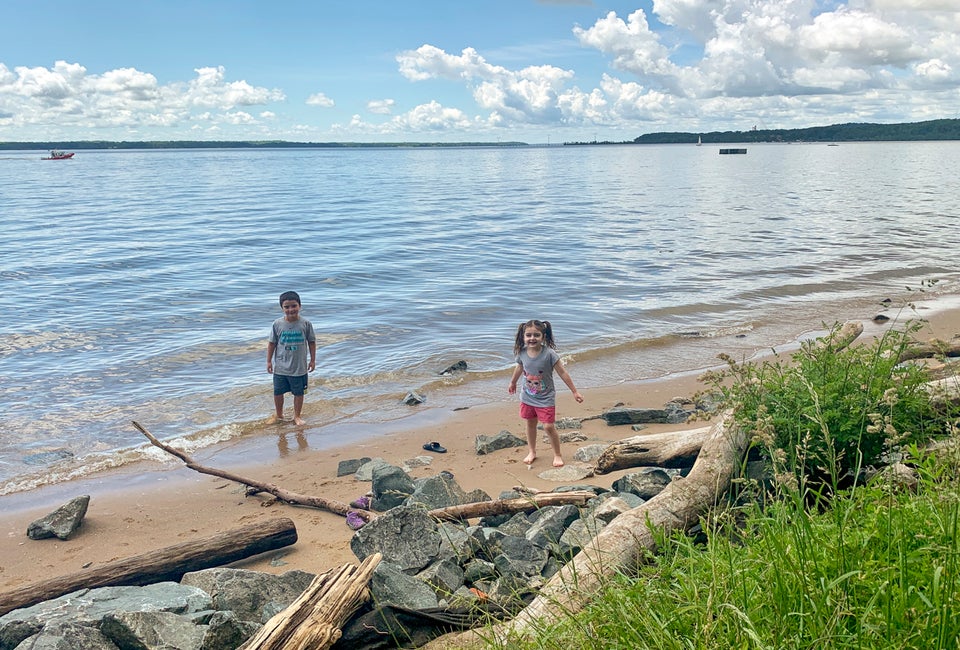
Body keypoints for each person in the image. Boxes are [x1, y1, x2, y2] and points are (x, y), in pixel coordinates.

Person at [508, 319, 583, 467]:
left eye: (536, 335)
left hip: (545, 398)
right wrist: (513, 382)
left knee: (548, 426)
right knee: (530, 423)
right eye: (528, 335)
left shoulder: (549, 354)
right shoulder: (522, 353)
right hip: (527, 396)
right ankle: (532, 451)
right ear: (523, 336)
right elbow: (519, 368)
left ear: (543, 336)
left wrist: (574, 391)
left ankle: (557, 454)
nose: (532, 338)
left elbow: (562, 372)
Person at [266, 291, 316, 425]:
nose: (290, 309)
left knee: (299, 393)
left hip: (299, 367)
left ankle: (297, 416)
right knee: (278, 392)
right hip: (281, 367)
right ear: (282, 308)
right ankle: (279, 415)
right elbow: (272, 343)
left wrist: (312, 360)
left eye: (293, 306)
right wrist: (268, 361)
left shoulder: (305, 324)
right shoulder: (277, 324)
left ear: (300, 306)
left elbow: (311, 342)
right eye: (286, 307)